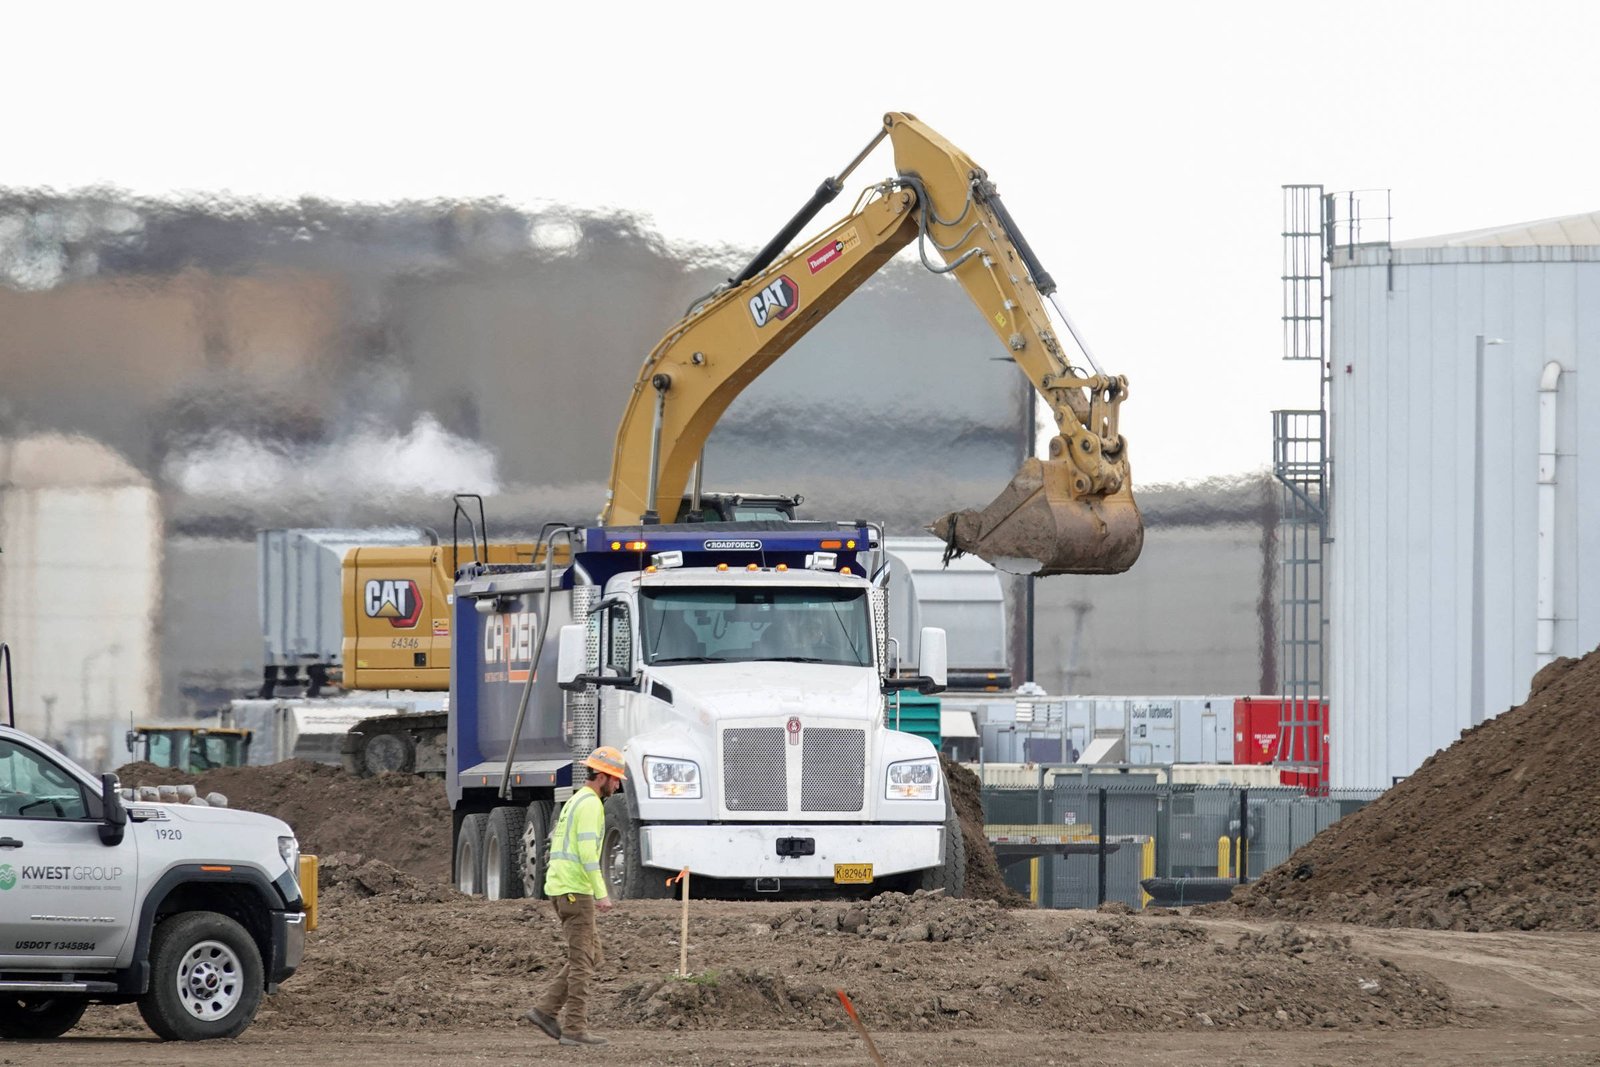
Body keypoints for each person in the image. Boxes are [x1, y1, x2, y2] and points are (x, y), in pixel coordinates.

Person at [523, 746, 626, 1047]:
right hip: (575, 891)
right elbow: (587, 854)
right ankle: (574, 1029)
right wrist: (602, 894)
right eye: (616, 779)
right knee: (583, 961)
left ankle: (544, 1011)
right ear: (603, 776)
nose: (617, 785)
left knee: (592, 955)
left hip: (563, 887)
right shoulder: (591, 805)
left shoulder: (576, 800)